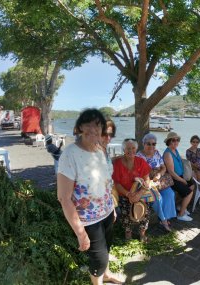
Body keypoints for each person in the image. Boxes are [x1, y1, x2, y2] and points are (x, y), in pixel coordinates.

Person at [57, 109, 121, 285]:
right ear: (79, 128)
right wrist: (80, 233)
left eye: (98, 126)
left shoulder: (100, 151)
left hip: (107, 212)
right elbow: (63, 197)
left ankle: (106, 275)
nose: (94, 129)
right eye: (89, 125)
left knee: (108, 247)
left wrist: (112, 208)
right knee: (98, 258)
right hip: (88, 220)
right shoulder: (70, 154)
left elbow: (106, 184)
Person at [112, 138, 151, 242]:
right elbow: (117, 183)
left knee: (146, 209)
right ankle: (128, 233)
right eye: (128, 148)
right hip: (124, 194)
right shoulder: (118, 164)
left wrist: (139, 193)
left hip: (139, 192)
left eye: (133, 148)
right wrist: (128, 194)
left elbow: (147, 179)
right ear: (124, 150)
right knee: (125, 210)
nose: (131, 150)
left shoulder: (141, 162)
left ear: (136, 149)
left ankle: (142, 233)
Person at [137, 133, 176, 232]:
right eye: (148, 144)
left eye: (153, 144)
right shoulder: (139, 156)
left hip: (158, 180)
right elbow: (139, 174)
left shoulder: (157, 153)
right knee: (158, 198)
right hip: (147, 181)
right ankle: (163, 221)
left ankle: (166, 217)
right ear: (143, 144)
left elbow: (164, 167)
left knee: (170, 194)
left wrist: (159, 175)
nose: (151, 146)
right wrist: (150, 179)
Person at [163, 132, 194, 222]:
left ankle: (181, 206)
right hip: (173, 179)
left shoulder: (175, 150)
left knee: (192, 185)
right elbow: (171, 172)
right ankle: (181, 215)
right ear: (169, 141)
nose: (176, 142)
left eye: (177, 140)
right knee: (189, 192)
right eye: (173, 140)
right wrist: (182, 180)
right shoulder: (168, 154)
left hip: (180, 176)